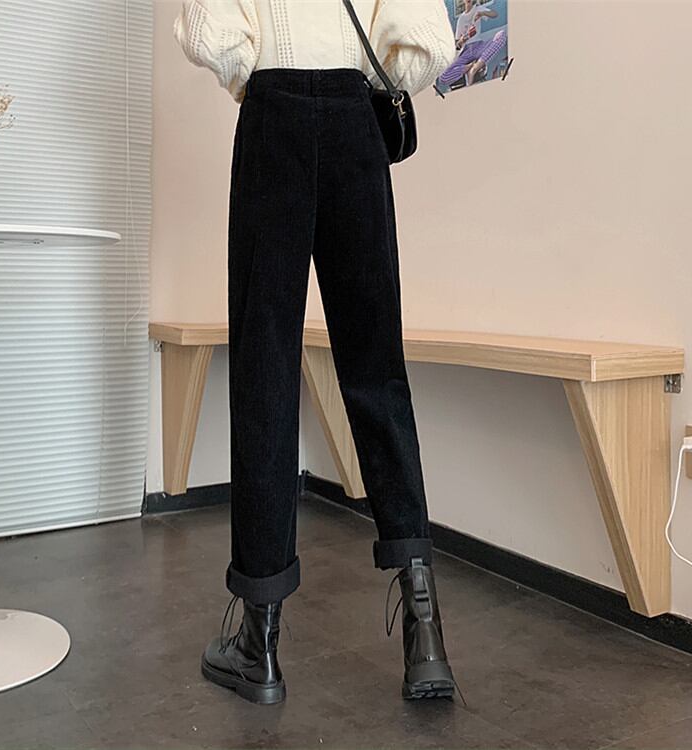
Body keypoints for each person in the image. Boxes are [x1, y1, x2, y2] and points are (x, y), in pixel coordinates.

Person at [174, 0, 458, 706]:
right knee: (376, 369)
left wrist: (259, 72)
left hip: (272, 119)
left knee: (265, 370)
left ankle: (259, 643)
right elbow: (425, 46)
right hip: (355, 124)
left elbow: (212, 34)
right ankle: (425, 637)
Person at [438, 0, 506, 87]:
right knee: (442, 77)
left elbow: (494, 14)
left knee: (502, 35)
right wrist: (462, 40)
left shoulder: (478, 9)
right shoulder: (461, 19)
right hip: (466, 51)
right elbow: (457, 43)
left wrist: (482, 13)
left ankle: (475, 68)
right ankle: (469, 67)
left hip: (479, 46)